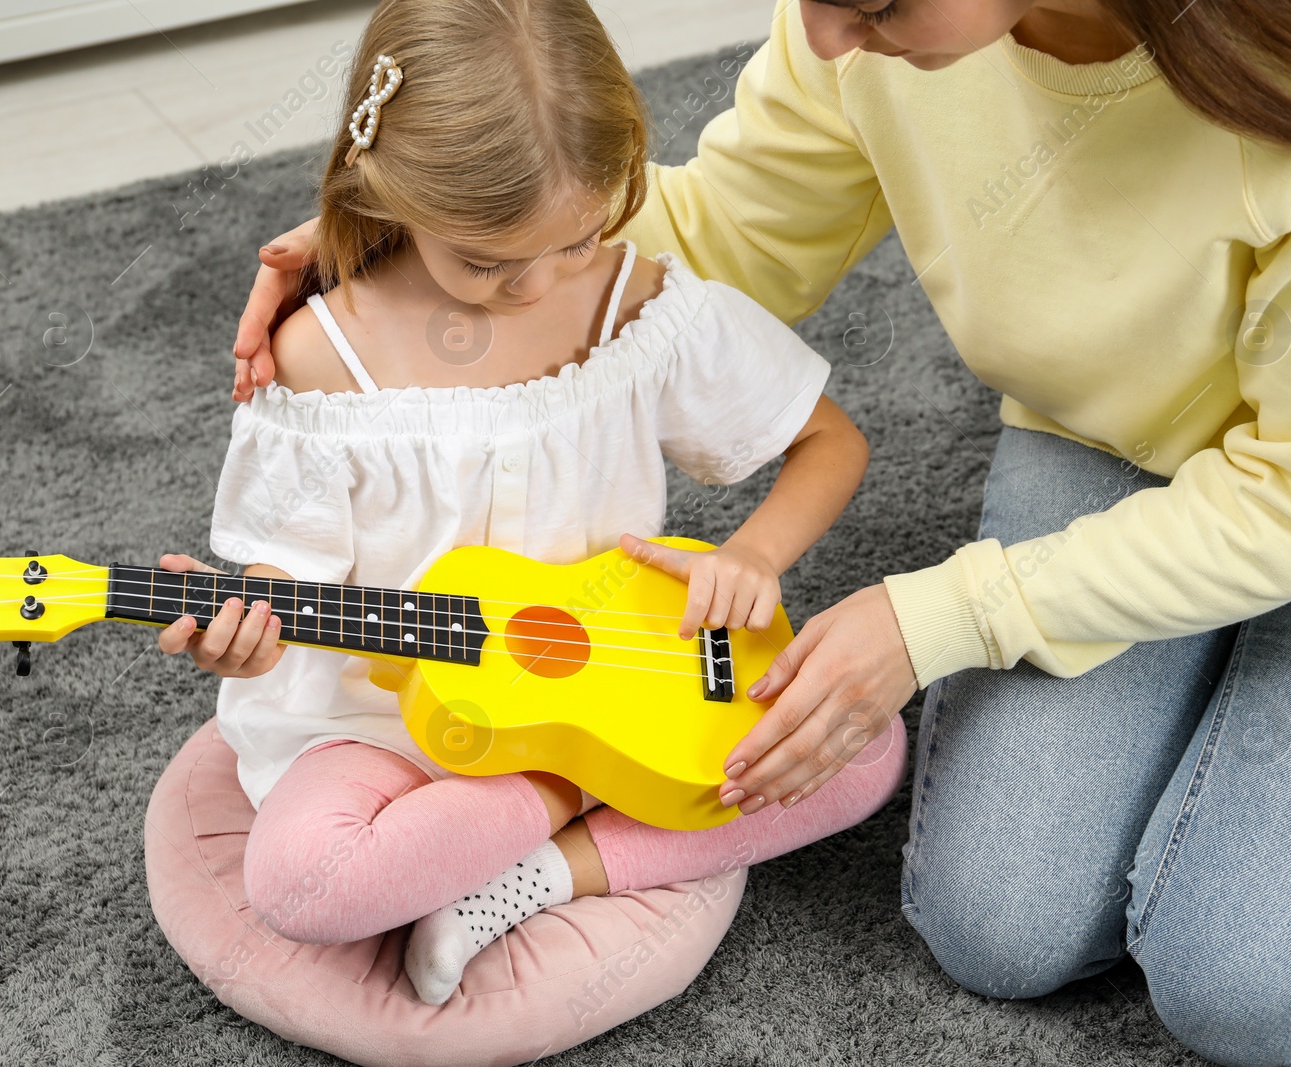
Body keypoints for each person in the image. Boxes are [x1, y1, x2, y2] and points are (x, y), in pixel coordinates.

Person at [231, 0, 1291, 1063]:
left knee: (1242, 993)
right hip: (1105, 444)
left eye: (872, 5)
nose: (822, 37)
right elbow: (723, 239)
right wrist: (398, 251)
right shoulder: (853, 35)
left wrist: (933, 617)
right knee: (998, 931)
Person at [156, 0, 907, 1011]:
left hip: (619, 683)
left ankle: (545, 871)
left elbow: (829, 441)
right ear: (388, 190)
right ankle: (570, 799)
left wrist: (756, 555)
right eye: (483, 261)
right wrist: (246, 631)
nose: (536, 285)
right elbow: (281, 579)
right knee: (301, 880)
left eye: (576, 239)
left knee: (866, 745)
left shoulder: (638, 307)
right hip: (379, 726)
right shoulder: (318, 361)